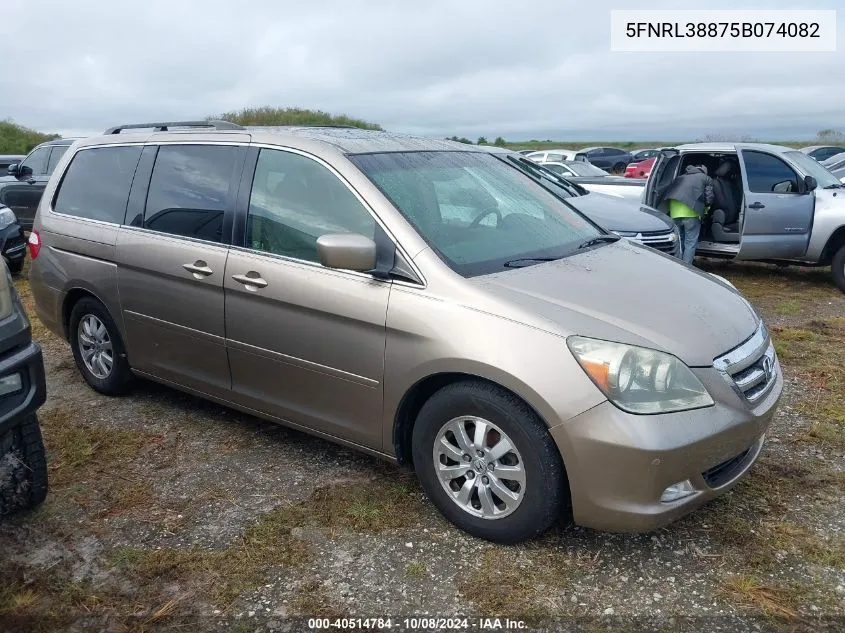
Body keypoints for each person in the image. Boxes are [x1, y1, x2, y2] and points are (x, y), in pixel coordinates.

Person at [663, 165, 714, 265]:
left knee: (678, 241)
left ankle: (677, 265)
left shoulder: (679, 178)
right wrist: (705, 211)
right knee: (690, 242)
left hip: (674, 212)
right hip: (691, 213)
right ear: (703, 172)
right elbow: (709, 198)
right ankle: (686, 268)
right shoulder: (706, 178)